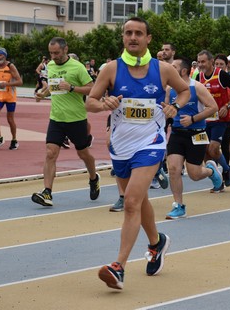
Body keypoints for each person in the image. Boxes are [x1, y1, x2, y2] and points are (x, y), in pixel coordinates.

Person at [86, 17, 190, 290]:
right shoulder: (111, 69)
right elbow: (90, 102)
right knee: (139, 199)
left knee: (130, 202)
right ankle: (157, 243)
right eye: (128, 33)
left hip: (151, 143)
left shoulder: (163, 69)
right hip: (120, 146)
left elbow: (184, 91)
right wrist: (103, 103)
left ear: (148, 39)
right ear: (123, 38)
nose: (133, 37)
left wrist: (175, 108)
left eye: (138, 33)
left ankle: (118, 266)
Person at [32, 37, 100, 206]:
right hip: (56, 118)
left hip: (76, 119)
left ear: (65, 49)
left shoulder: (77, 67)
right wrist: (43, 93)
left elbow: (92, 88)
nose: (53, 56)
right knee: (50, 153)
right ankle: (47, 192)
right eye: (51, 53)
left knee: (83, 154)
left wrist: (72, 88)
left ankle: (93, 178)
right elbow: (53, 86)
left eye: (56, 52)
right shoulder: (51, 66)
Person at [165, 57, 223, 219]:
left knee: (194, 174)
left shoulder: (197, 87)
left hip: (196, 133)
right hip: (177, 133)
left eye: (173, 67)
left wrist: (192, 119)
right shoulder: (170, 90)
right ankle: (178, 205)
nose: (170, 69)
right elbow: (166, 110)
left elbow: (213, 108)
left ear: (183, 71)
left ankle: (211, 171)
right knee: (174, 169)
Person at [197, 50, 230, 188]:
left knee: (213, 148)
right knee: (205, 151)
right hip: (204, 119)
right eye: (198, 62)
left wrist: (227, 106)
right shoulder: (198, 76)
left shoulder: (221, 75)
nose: (200, 64)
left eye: (203, 61)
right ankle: (216, 180)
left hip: (220, 119)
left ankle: (227, 169)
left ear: (211, 62)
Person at [0, 47, 23, 150]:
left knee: (10, 120)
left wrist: (7, 84)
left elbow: (20, 82)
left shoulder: (10, 66)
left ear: (5, 55)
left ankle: (14, 140)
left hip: (10, 97)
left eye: (0, 55)